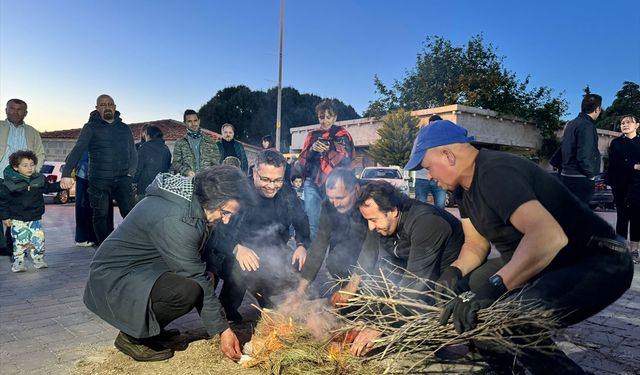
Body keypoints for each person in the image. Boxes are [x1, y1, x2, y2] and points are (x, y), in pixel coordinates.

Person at [404, 120, 633, 373]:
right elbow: (475, 244)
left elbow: (548, 237)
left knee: (510, 321)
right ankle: (503, 368)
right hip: (549, 264)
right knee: (468, 294)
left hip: (598, 261)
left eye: (428, 167)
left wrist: (494, 287)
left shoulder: (495, 172)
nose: (430, 177)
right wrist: (455, 272)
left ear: (447, 155)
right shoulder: (463, 188)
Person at [83, 166, 256, 362]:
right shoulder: (177, 218)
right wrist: (223, 330)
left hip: (142, 269)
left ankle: (151, 329)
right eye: (225, 212)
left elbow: (206, 245)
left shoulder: (195, 198)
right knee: (188, 289)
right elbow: (195, 276)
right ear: (212, 199)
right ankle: (131, 337)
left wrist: (215, 266)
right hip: (113, 279)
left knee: (205, 278)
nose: (226, 220)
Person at [337, 180, 464, 356]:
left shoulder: (426, 223)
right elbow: (369, 251)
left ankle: (451, 339)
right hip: (416, 269)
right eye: (367, 220)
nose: (371, 227)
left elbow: (414, 284)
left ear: (393, 211)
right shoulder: (386, 219)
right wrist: (354, 288)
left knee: (424, 321)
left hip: (447, 279)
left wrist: (380, 325)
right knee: (378, 285)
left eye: (373, 220)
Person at [208, 150, 310, 323]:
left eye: (277, 180)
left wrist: (301, 244)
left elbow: (302, 220)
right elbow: (217, 230)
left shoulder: (286, 192)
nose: (271, 186)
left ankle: (269, 299)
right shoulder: (237, 192)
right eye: (265, 179)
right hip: (236, 250)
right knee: (241, 269)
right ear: (255, 171)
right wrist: (236, 247)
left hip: (272, 249)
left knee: (295, 265)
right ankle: (227, 308)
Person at [60, 94, 137, 246]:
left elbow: (133, 152)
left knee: (130, 213)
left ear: (115, 107)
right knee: (100, 215)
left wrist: (130, 174)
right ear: (97, 108)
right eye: (102, 105)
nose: (106, 107)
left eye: (109, 104)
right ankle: (105, 248)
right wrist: (66, 173)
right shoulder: (90, 128)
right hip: (99, 180)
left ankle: (134, 245)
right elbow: (78, 149)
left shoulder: (124, 128)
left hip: (122, 179)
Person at [289, 168, 367, 299]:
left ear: (356, 189)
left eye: (340, 198)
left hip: (378, 248)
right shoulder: (328, 205)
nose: (335, 203)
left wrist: (352, 286)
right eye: (331, 198)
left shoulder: (369, 201)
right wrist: (300, 291)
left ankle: (362, 294)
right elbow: (319, 244)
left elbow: (372, 247)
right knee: (335, 260)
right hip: (350, 241)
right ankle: (350, 296)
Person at [298, 100, 356, 240]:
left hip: (334, 184)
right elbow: (304, 159)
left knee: (335, 221)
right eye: (321, 117)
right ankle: (313, 257)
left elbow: (347, 157)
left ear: (335, 117)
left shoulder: (342, 134)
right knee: (313, 222)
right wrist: (313, 149)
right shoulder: (312, 135)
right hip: (312, 182)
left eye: (328, 117)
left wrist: (330, 147)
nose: (325, 121)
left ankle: (335, 257)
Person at [0, 150, 62, 272]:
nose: (30, 168)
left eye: (32, 164)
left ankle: (38, 259)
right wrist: (5, 217)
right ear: (16, 167)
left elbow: (49, 188)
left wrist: (61, 185)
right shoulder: (9, 183)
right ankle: (19, 262)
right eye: (25, 165)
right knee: (19, 242)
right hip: (17, 219)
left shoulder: (39, 179)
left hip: (35, 217)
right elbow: (3, 202)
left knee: (38, 239)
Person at [0, 99, 46, 257]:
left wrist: (33, 173)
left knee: (17, 214)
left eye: (20, 109)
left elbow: (40, 152)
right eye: (12, 108)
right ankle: (3, 247)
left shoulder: (32, 132)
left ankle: (15, 246)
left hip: (21, 181)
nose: (15, 111)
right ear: (6, 110)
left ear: (25, 113)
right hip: (1, 177)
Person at [605, 115, 640, 258]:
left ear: (637, 125)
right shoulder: (616, 143)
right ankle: (620, 249)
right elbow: (614, 164)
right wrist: (633, 165)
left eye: (628, 122)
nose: (624, 125)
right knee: (622, 217)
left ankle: (634, 250)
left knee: (637, 218)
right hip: (620, 185)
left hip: (638, 185)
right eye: (622, 123)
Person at [559, 93, 603, 204]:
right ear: (597, 109)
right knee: (578, 216)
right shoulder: (587, 125)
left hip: (567, 176)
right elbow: (584, 154)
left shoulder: (571, 123)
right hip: (580, 179)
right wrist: (591, 175)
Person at [171, 110, 220, 177]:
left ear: (199, 121)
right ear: (185, 123)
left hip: (207, 181)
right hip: (188, 182)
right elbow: (175, 163)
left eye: (195, 120)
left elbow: (216, 163)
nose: (193, 124)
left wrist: (210, 174)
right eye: (189, 121)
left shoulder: (210, 141)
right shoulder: (180, 142)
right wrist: (186, 171)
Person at [414, 115, 447, 208]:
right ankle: (420, 222)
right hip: (422, 177)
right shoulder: (421, 138)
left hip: (439, 178)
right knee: (420, 207)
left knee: (440, 207)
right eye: (432, 125)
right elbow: (414, 156)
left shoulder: (445, 139)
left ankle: (439, 222)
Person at [134, 125, 171, 202]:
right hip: (161, 189)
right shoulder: (166, 149)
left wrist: (133, 181)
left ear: (148, 135)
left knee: (142, 213)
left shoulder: (144, 147)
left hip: (145, 189)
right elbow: (167, 168)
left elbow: (138, 168)